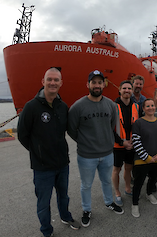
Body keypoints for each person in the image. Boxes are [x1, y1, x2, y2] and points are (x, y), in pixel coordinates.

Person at [17, 67, 80, 237]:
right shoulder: (31, 107)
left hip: (62, 163)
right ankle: (46, 231)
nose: (53, 82)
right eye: (49, 79)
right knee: (43, 202)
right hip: (42, 167)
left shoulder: (63, 106)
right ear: (43, 82)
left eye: (56, 80)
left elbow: (66, 130)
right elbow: (22, 135)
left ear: (61, 83)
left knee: (63, 196)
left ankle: (66, 217)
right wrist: (37, 152)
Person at [67, 70, 124, 228]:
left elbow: (112, 125)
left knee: (106, 181)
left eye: (100, 82)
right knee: (86, 185)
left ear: (104, 84)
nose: (97, 85)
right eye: (94, 82)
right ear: (88, 84)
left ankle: (109, 202)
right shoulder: (78, 107)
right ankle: (86, 210)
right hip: (86, 156)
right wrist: (84, 142)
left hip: (107, 154)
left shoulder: (111, 105)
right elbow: (71, 129)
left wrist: (106, 141)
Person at [131, 99, 157, 217]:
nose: (151, 107)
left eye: (152, 105)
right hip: (142, 160)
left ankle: (148, 193)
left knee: (153, 179)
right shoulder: (138, 123)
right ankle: (134, 203)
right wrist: (147, 158)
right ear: (143, 109)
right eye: (147, 106)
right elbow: (136, 142)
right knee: (138, 182)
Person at [112, 80, 140, 206]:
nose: (127, 90)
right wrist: (122, 142)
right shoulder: (113, 106)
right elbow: (109, 128)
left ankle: (127, 188)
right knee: (116, 169)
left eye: (129, 88)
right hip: (118, 144)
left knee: (129, 167)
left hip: (132, 143)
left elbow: (139, 125)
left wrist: (134, 141)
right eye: (124, 88)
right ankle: (117, 192)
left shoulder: (136, 106)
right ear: (119, 90)